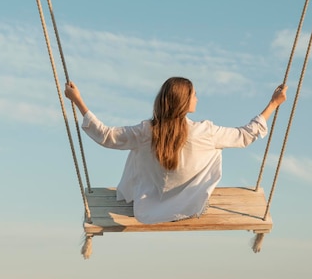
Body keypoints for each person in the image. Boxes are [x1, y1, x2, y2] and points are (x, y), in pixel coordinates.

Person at [65, 77, 287, 224]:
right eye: (194, 95)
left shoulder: (146, 131)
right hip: (189, 207)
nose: (197, 98)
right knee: (215, 148)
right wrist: (273, 104)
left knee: (138, 151)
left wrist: (78, 101)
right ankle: (190, 193)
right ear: (183, 101)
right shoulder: (204, 132)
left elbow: (106, 136)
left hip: (146, 210)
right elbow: (246, 135)